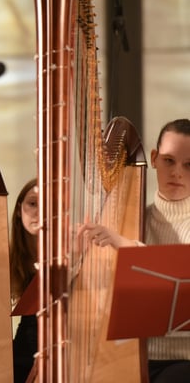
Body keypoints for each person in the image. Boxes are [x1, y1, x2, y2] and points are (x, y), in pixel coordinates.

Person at [79, 118, 190, 383]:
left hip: (183, 361)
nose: (177, 172)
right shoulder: (133, 218)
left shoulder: (121, 237)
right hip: (130, 356)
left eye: (189, 165)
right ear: (153, 158)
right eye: (169, 160)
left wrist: (125, 246)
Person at [9, 178, 40, 383]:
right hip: (23, 354)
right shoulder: (12, 259)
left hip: (60, 351)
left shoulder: (71, 254)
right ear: (20, 210)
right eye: (32, 203)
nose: (39, 212)